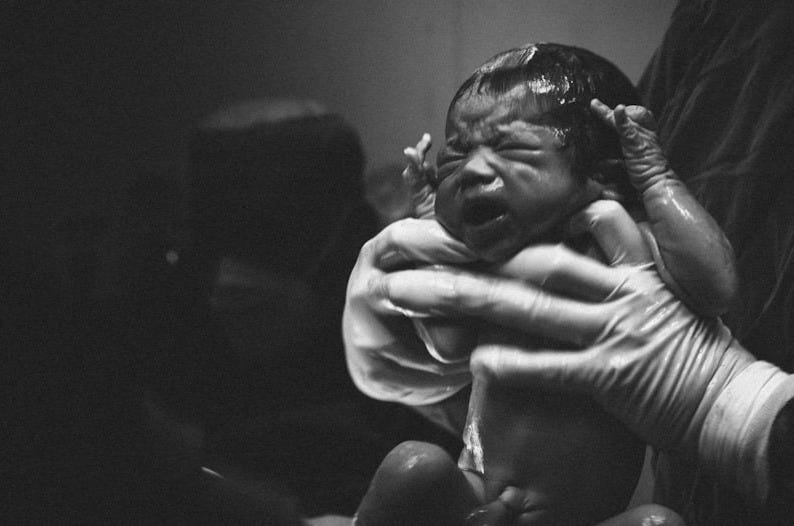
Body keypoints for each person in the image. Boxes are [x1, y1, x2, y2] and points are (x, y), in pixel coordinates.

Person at [343, 4, 794, 524]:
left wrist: (654, 179)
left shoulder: (625, 257)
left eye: (510, 149)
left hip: (585, 516)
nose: (472, 169)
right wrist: (426, 252)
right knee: (412, 466)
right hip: (477, 489)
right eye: (454, 155)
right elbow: (448, 342)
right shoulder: (491, 265)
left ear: (601, 172)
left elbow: (716, 285)